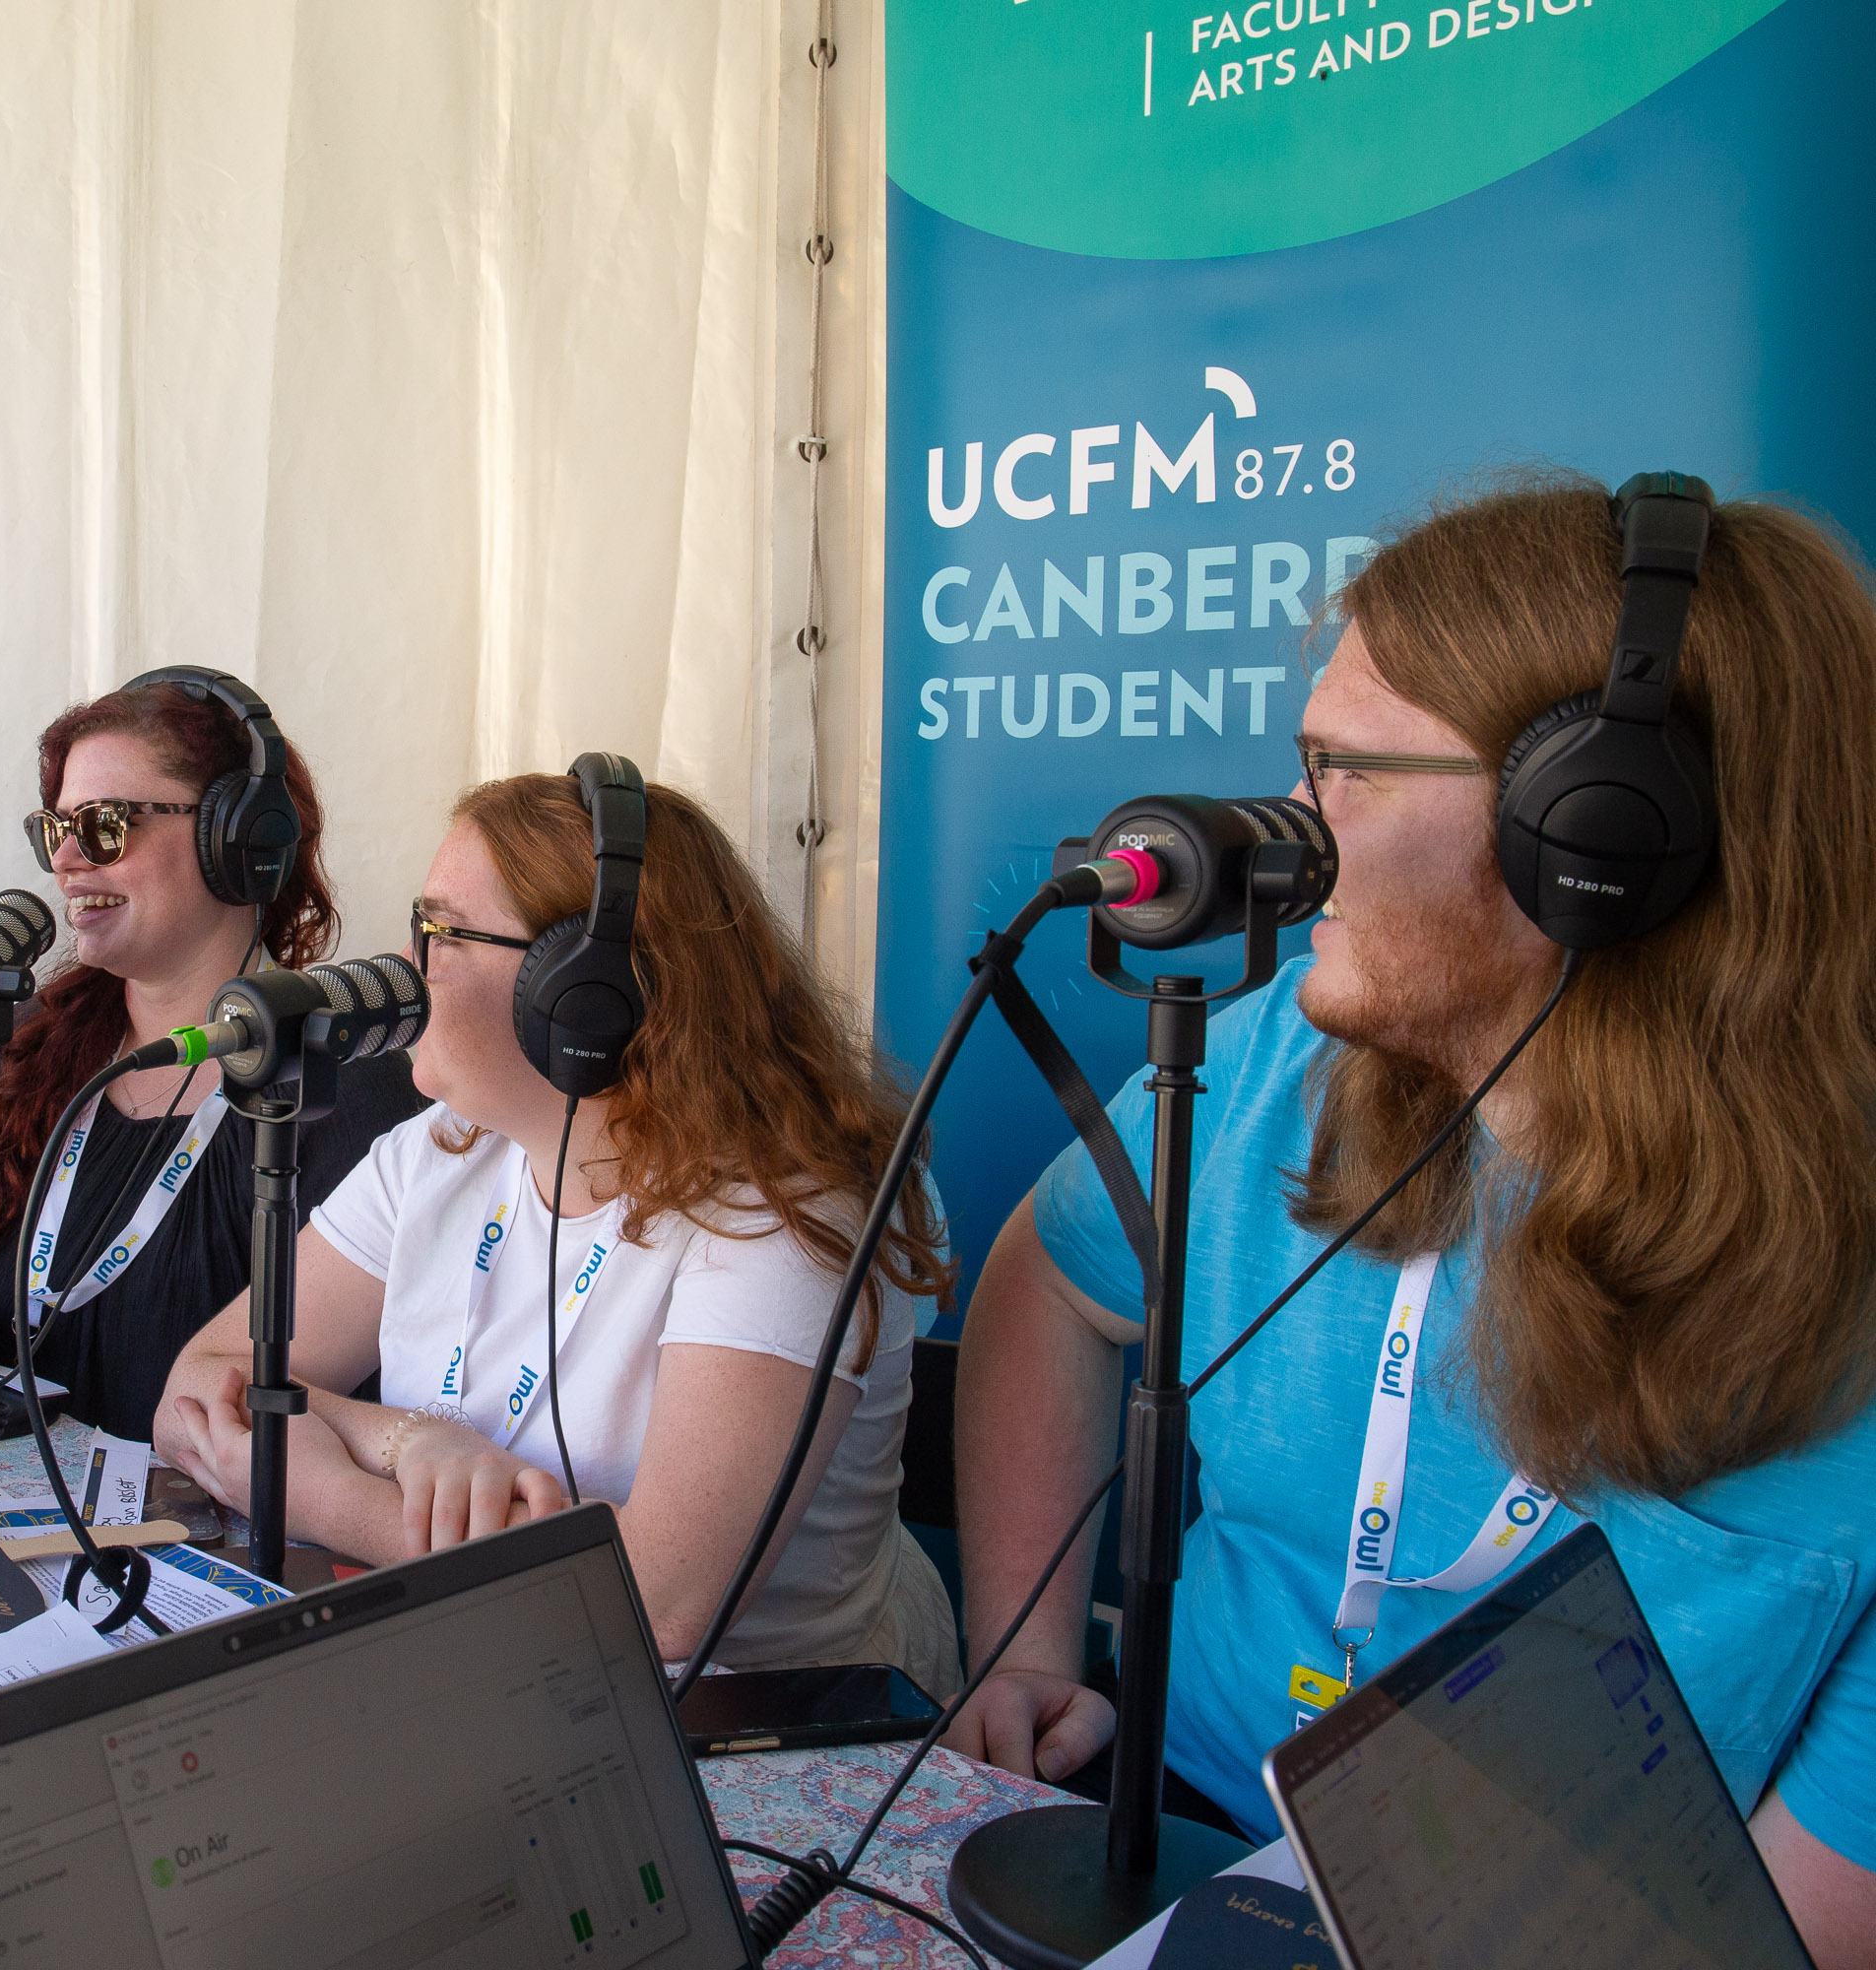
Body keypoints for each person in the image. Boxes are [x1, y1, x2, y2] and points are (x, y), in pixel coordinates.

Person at [946, 475, 1876, 1963]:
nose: (1284, 834)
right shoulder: (1267, 1074)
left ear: (1595, 838)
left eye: (1342, 769)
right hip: (1171, 1819)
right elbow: (1054, 1282)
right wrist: (1025, 1645)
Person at [153, 768, 961, 1688]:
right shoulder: (442, 1149)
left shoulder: (790, 1213)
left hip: (764, 1726)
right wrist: (409, 1443)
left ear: (585, 996)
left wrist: (332, 1498)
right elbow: (197, 1390)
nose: (405, 971)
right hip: (495, 1658)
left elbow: (656, 1602)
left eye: (441, 934)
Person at [0, 673, 423, 1439]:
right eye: (53, 830)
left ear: (238, 841)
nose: (66, 861)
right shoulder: (21, 1042)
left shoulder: (348, 1089)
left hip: (187, 1544)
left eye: (104, 825)